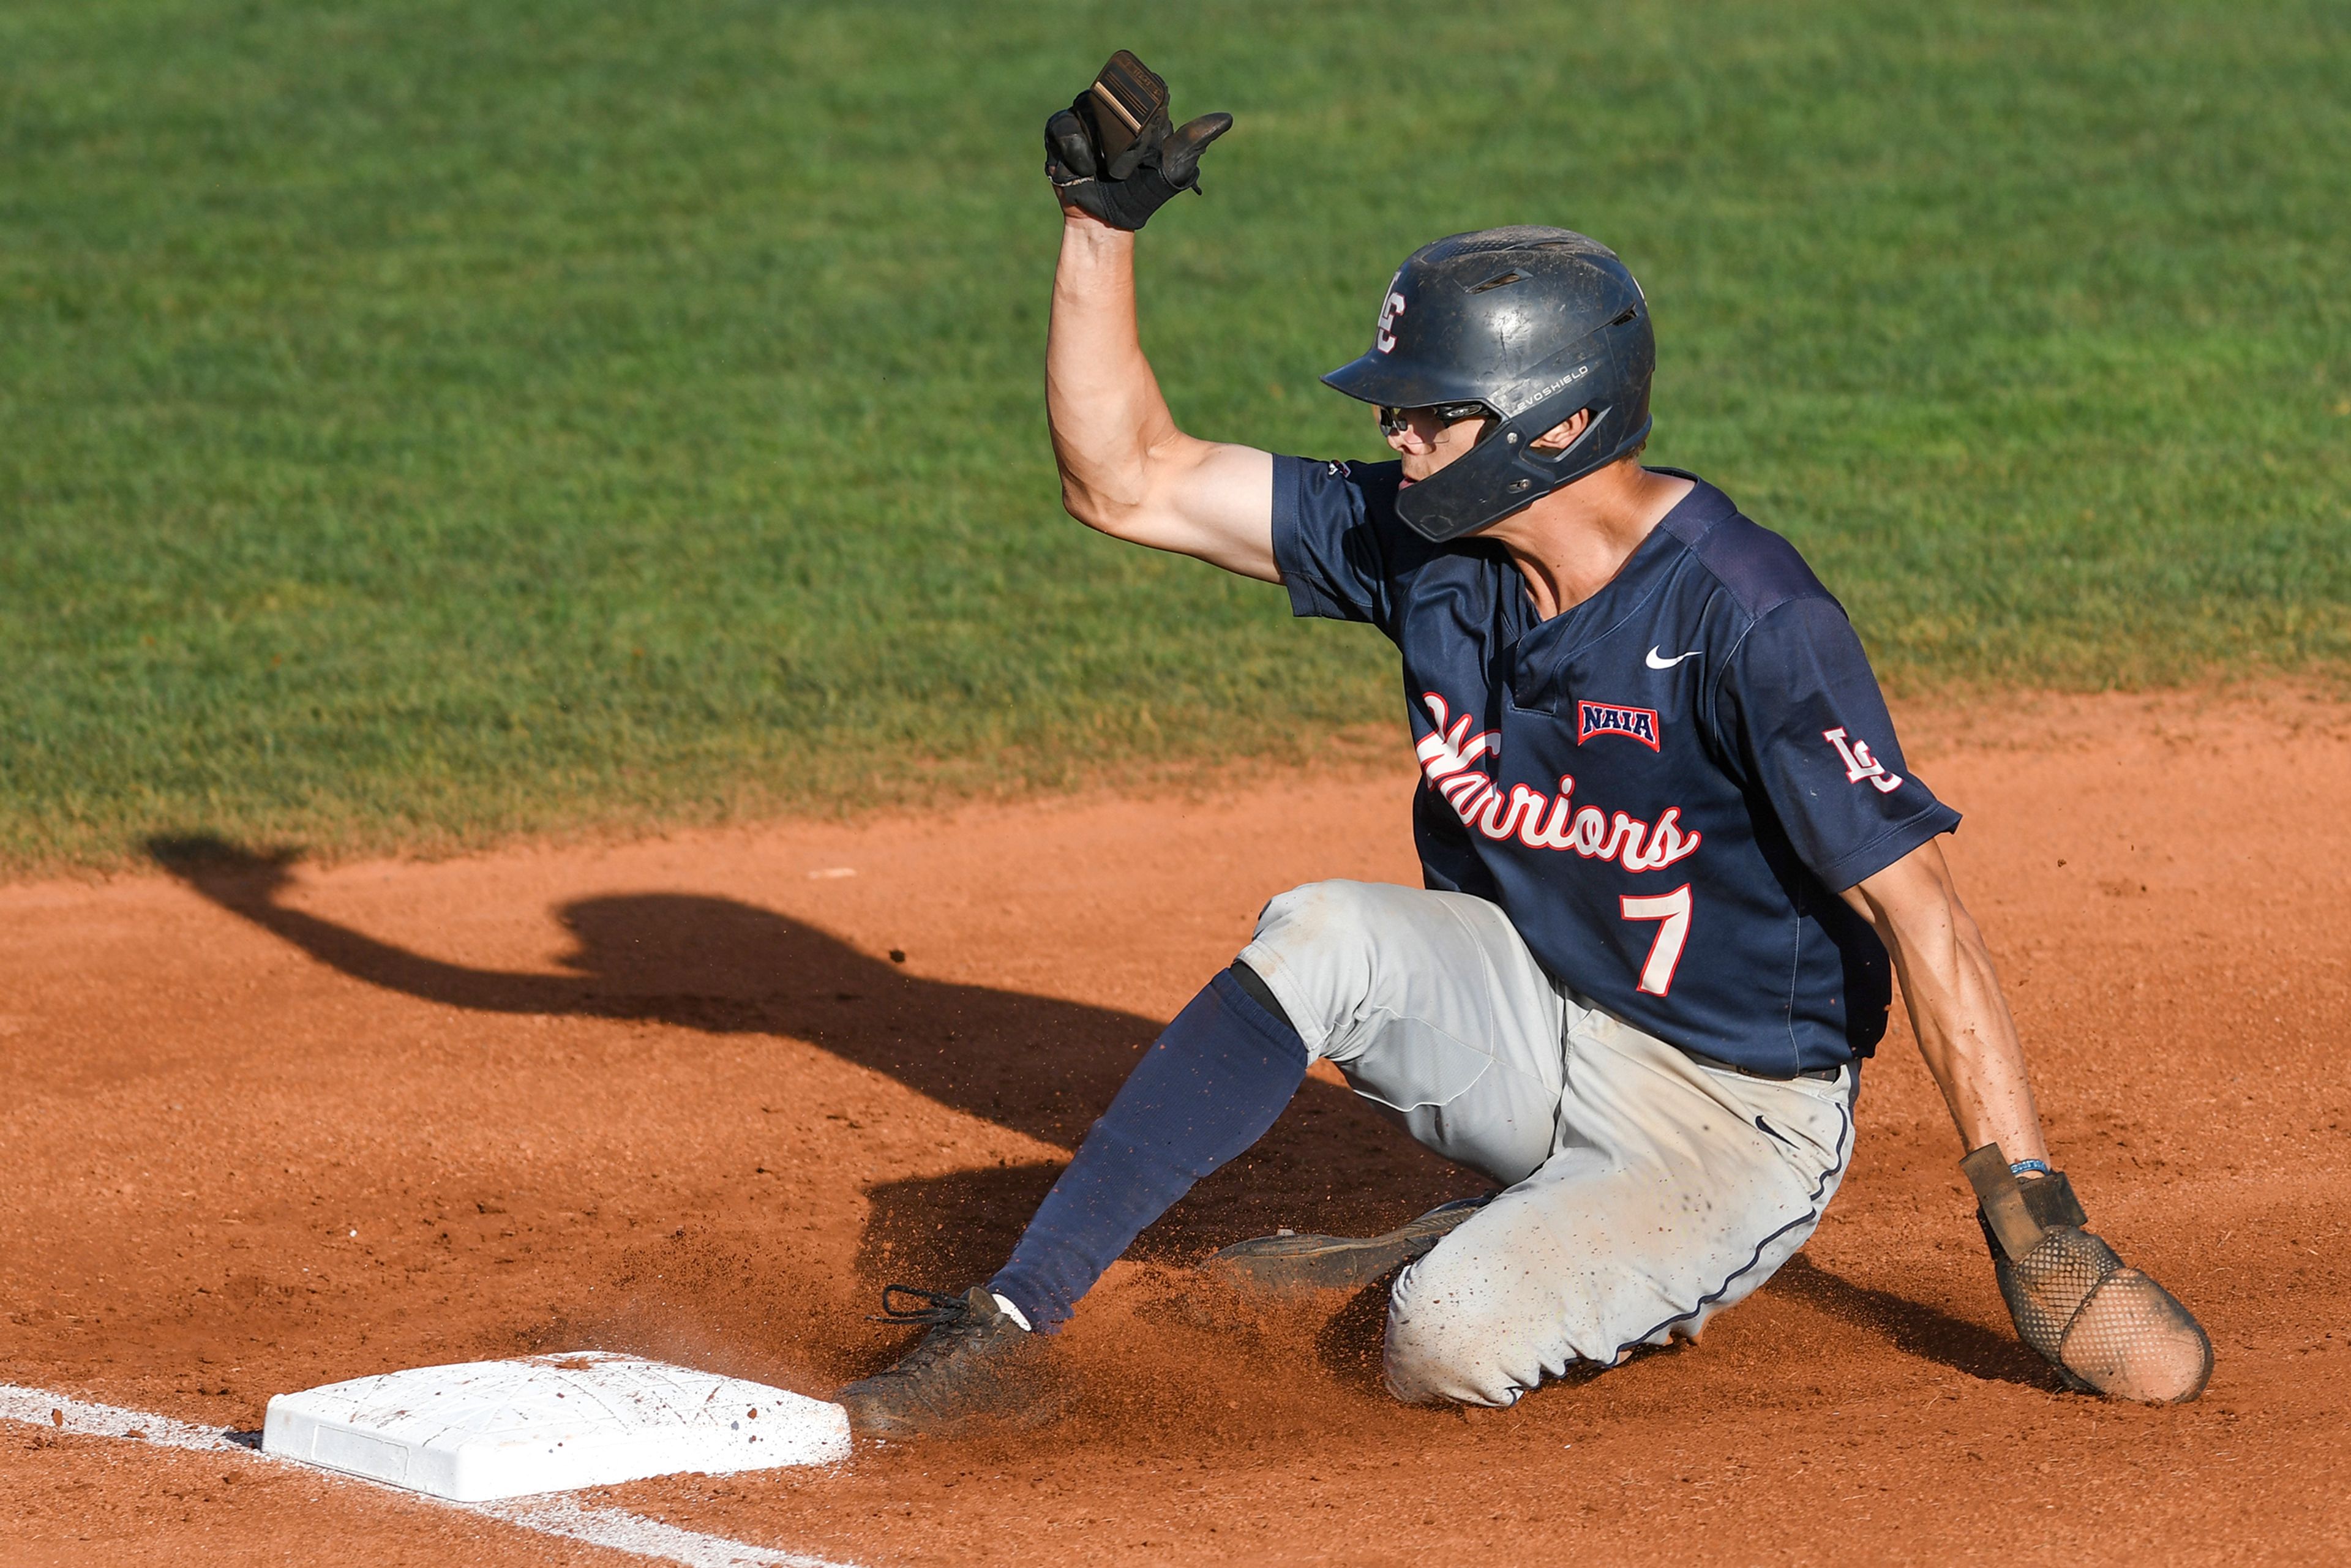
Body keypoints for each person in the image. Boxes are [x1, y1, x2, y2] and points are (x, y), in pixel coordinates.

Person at [834, 54, 2210, 1438]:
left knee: (1443, 1338)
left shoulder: (1747, 618)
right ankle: (1004, 1330)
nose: (1395, 434)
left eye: (1431, 412)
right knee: (1317, 933)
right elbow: (1126, 479)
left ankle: (1524, 1254)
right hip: (1531, 1011)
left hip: (1726, 1112)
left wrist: (2033, 1218)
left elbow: (1930, 924)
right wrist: (1099, 229)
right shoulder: (1430, 543)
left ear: (1556, 424)